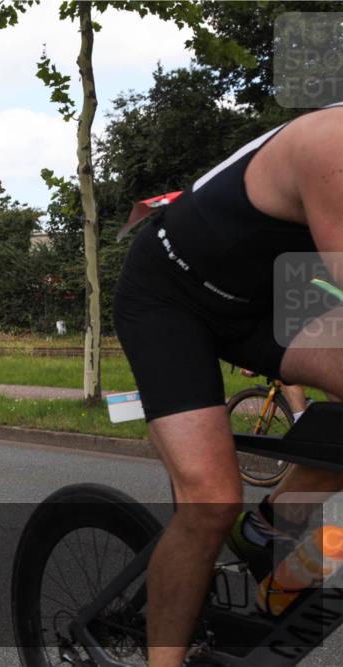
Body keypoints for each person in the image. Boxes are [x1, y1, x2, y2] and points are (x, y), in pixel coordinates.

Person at [113, 102, 343, 667]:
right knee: (211, 504)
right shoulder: (332, 143)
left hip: (265, 304)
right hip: (171, 296)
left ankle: (270, 529)